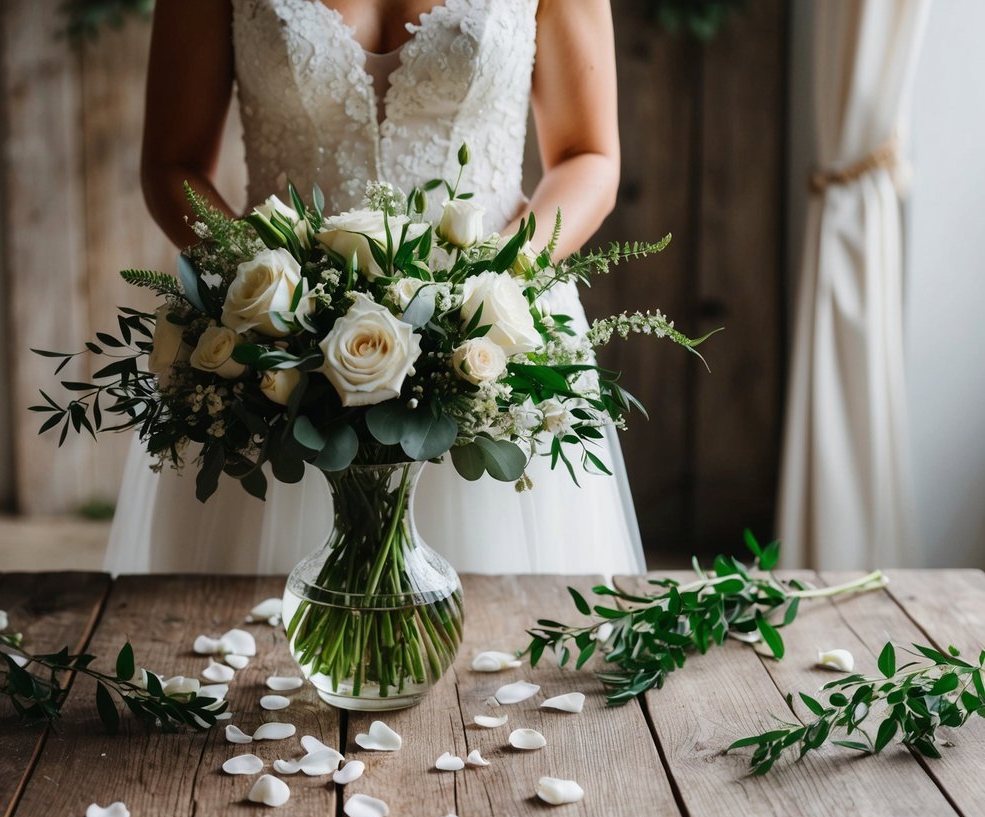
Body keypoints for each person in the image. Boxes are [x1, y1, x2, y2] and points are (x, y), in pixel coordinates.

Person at [104, 0, 645, 575]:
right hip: (282, 348)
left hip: (490, 335)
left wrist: (498, 275)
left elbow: (588, 155)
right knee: (246, 624)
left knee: (503, 627)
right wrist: (264, 286)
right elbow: (172, 163)